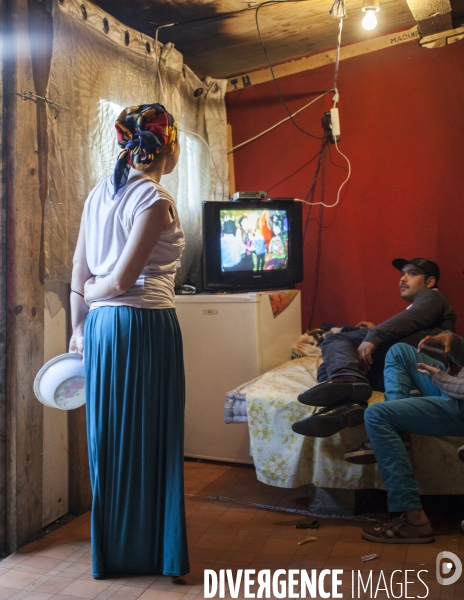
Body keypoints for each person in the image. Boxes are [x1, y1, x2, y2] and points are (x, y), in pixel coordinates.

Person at [69, 103, 189, 579]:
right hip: (142, 326)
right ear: (170, 147)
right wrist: (101, 291)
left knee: (110, 441)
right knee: (152, 438)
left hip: (100, 330)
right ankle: (157, 553)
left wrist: (79, 325)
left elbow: (79, 274)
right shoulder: (154, 199)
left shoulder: (98, 195)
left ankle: (116, 555)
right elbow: (117, 281)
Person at [292, 258, 456, 438]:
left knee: (335, 339)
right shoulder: (425, 306)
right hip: (400, 371)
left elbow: (412, 319)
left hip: (419, 365)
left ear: (430, 281)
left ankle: (348, 382)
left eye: (412, 273)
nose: (403, 279)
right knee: (330, 363)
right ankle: (350, 405)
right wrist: (374, 330)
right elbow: (411, 327)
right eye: (402, 274)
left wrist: (375, 335)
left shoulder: (432, 295)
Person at [360, 332, 464, 543]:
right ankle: (400, 430)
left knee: (375, 415)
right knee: (399, 351)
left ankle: (414, 518)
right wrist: (454, 343)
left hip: (460, 403)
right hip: (456, 387)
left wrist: (440, 378)